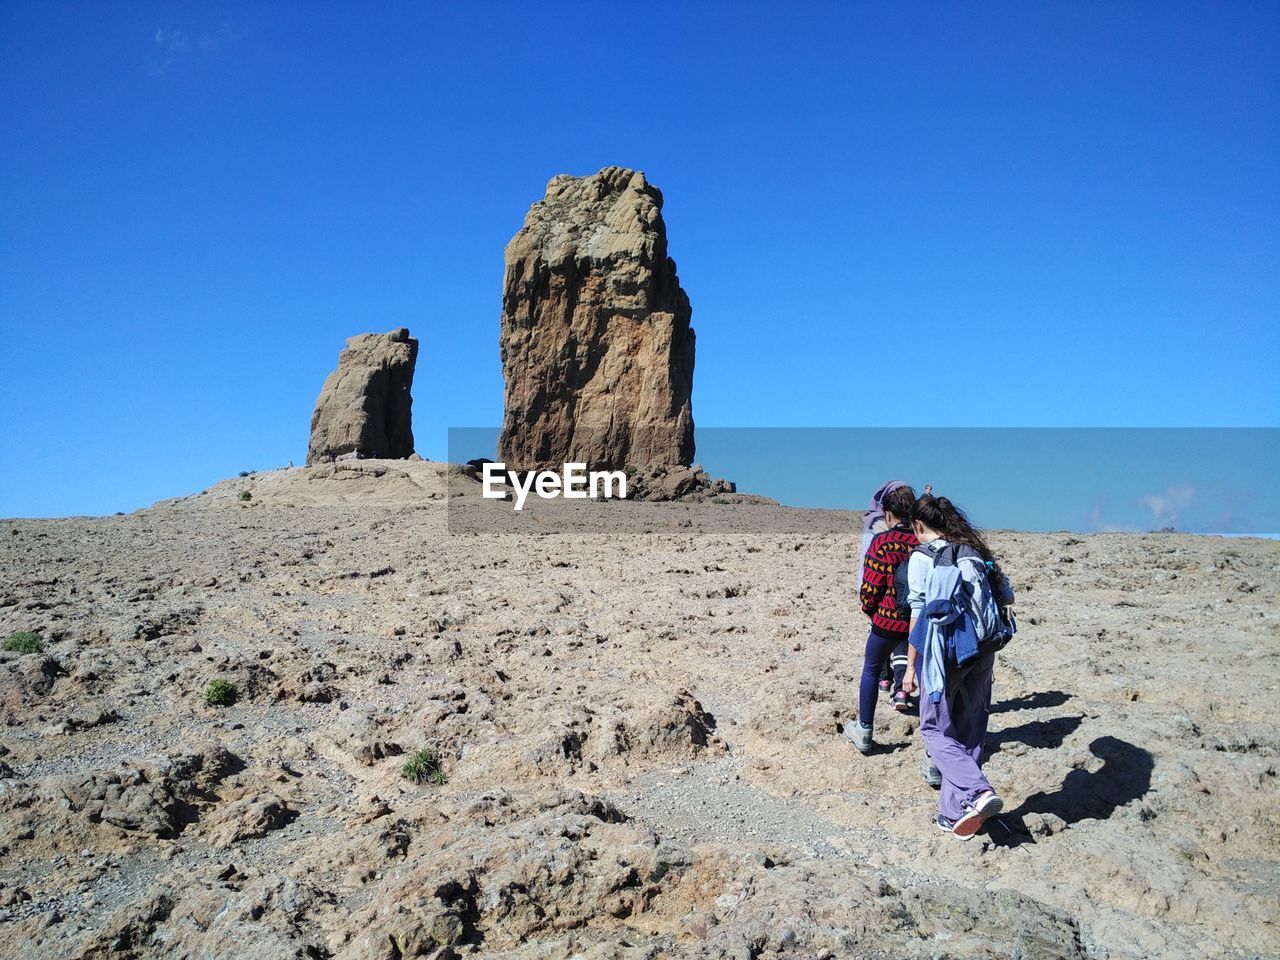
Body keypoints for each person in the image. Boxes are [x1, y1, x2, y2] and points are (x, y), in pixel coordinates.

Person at [901, 494, 1013, 838]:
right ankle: (954, 812)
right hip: (984, 648)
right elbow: (1006, 597)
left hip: (944, 654)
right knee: (970, 729)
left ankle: (978, 791)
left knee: (935, 729)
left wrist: (909, 666)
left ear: (918, 525)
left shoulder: (921, 557)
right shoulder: (973, 550)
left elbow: (919, 613)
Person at [846, 484, 918, 754]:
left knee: (872, 668)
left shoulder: (882, 542)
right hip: (919, 622)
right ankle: (936, 747)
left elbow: (871, 585)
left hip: (886, 621)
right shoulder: (923, 542)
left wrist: (871, 610)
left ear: (888, 515)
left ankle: (864, 729)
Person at [854, 480, 909, 694]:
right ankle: (901, 690)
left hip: (883, 604)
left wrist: (868, 605)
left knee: (872, 661)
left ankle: (866, 722)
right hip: (913, 608)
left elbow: (868, 568)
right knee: (905, 645)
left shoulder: (876, 533)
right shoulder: (919, 536)